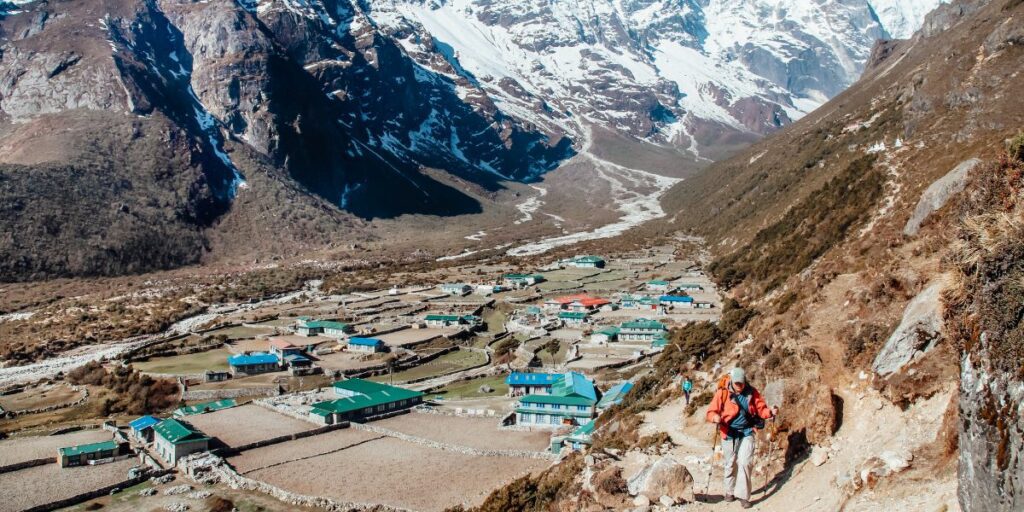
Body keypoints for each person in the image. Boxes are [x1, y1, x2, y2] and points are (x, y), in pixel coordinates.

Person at [705, 367, 777, 509]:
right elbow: (710, 411)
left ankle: (743, 496)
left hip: (747, 431)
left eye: (742, 383)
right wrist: (715, 417)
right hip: (729, 432)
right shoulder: (722, 393)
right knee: (730, 463)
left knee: (745, 462)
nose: (740, 385)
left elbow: (761, 408)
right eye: (737, 383)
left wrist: (770, 412)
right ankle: (730, 491)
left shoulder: (752, 392)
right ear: (732, 381)